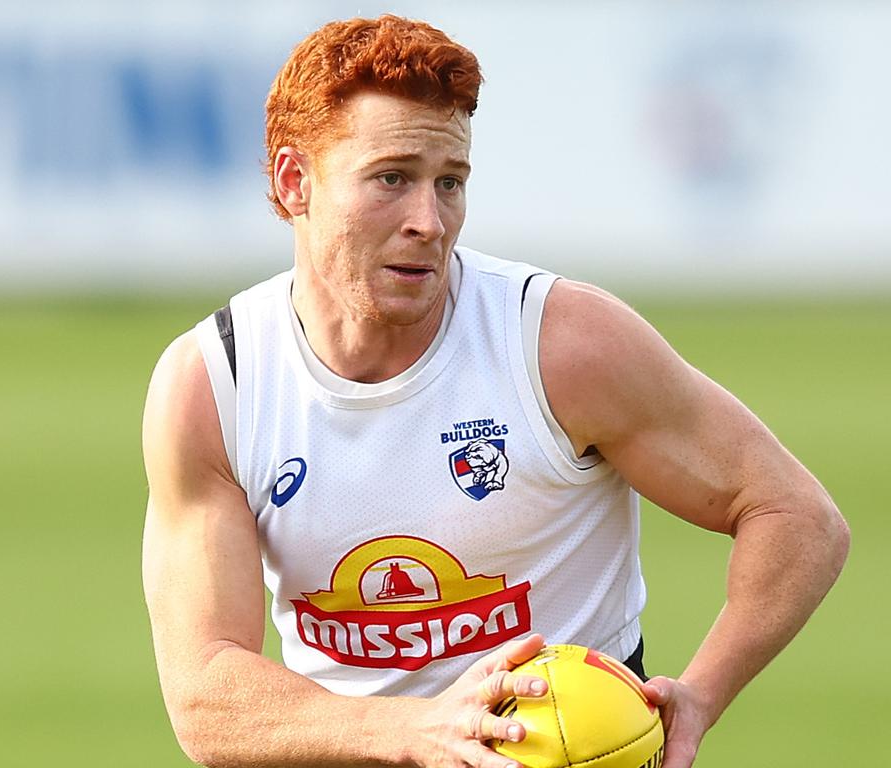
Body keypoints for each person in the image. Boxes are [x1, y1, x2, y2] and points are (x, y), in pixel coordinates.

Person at [141, 15, 849, 768]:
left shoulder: (559, 345)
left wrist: (700, 697)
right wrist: (416, 733)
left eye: (450, 183)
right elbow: (205, 698)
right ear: (294, 182)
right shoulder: (216, 384)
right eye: (392, 178)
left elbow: (797, 517)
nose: (428, 221)